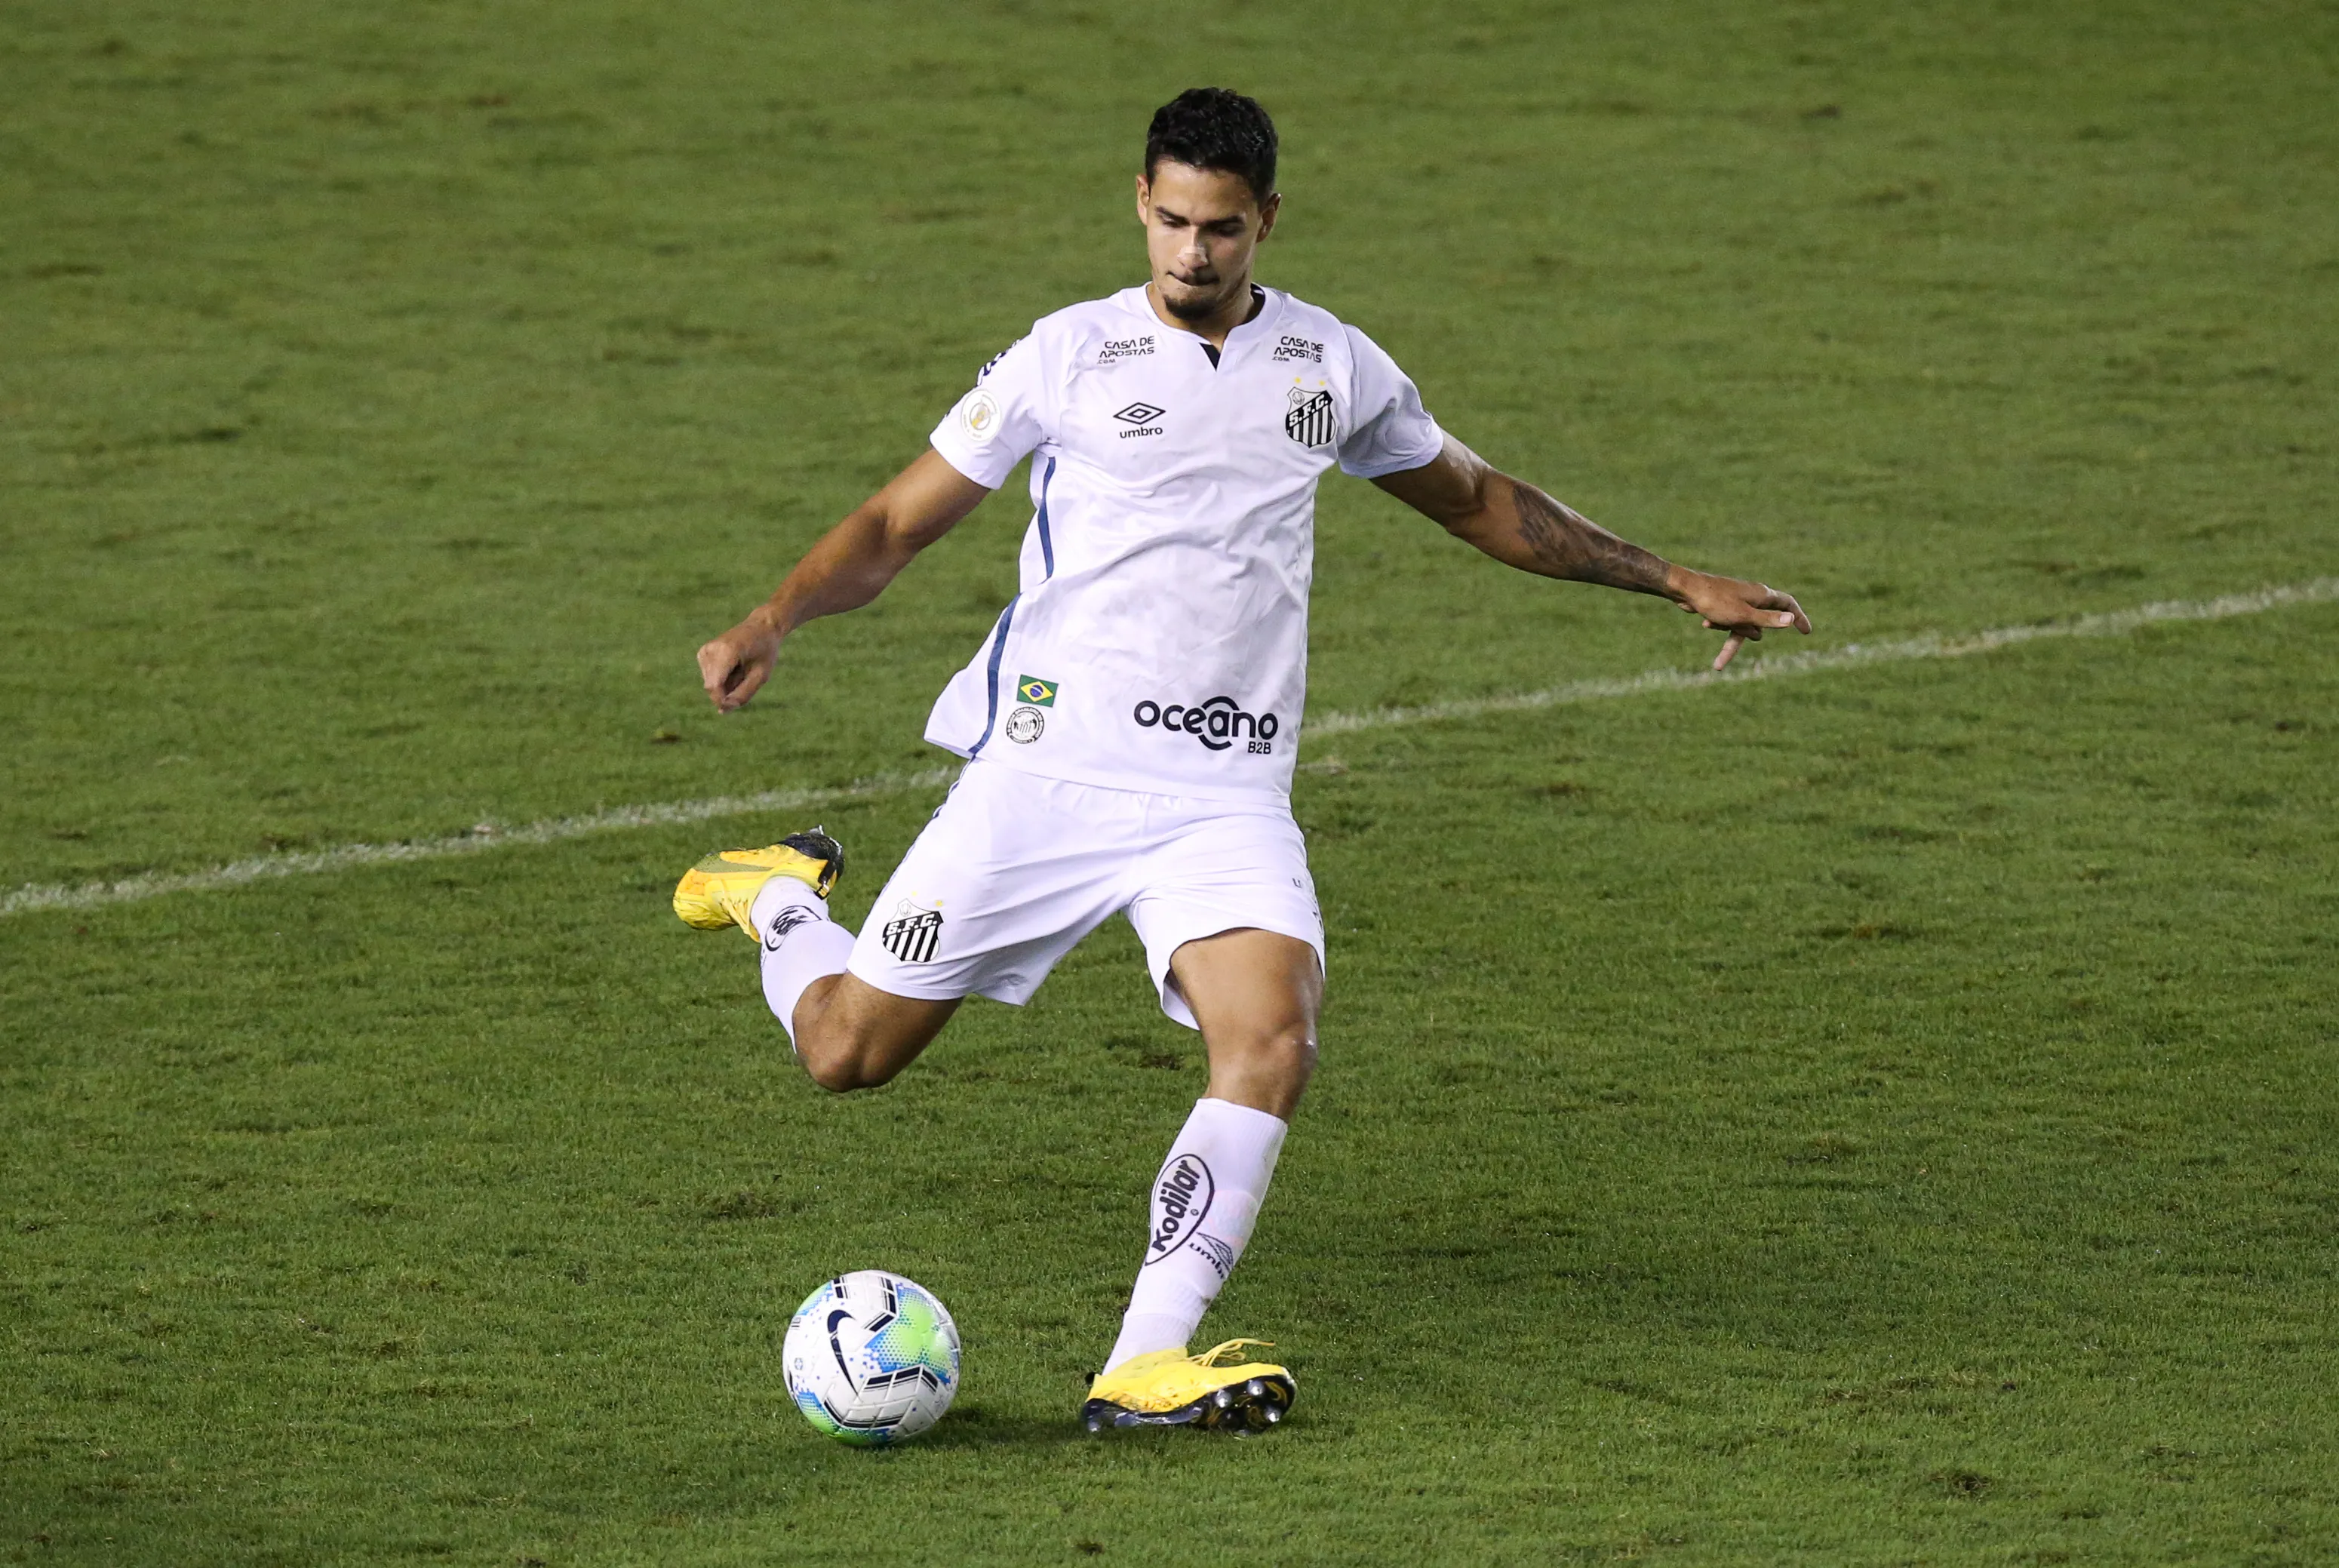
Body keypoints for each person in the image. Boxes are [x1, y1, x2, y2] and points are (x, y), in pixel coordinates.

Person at [675, 88, 1809, 1434]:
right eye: (1169, 221)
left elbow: (1482, 501)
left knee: (1272, 1037)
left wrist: (1675, 577)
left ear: (1266, 221)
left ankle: (1142, 1359)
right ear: (1139, 207)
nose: (1192, 252)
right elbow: (896, 522)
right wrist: (774, 614)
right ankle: (782, 896)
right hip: (1050, 773)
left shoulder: (1329, 368)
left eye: (1220, 228)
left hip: (1224, 793)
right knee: (847, 1055)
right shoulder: (1067, 355)